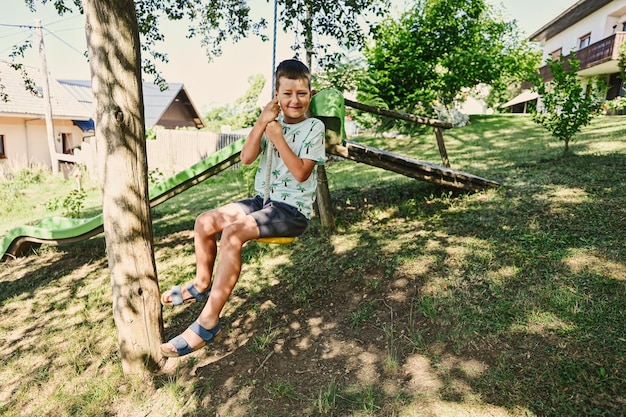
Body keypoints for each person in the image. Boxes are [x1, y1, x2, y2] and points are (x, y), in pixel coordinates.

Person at [159, 59, 326, 358]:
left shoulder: (314, 127)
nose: (294, 100)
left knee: (233, 233)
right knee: (205, 222)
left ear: (310, 94)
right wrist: (262, 123)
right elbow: (247, 158)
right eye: (287, 93)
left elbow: (301, 173)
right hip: (264, 201)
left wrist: (278, 138)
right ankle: (200, 284)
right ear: (276, 96)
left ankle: (208, 322)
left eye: (301, 93)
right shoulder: (270, 124)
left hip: (292, 210)